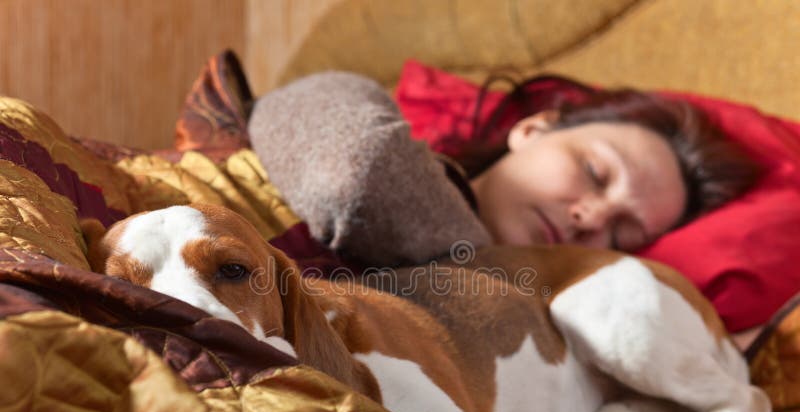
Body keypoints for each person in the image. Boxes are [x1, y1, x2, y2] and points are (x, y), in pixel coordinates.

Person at [247, 71, 759, 266]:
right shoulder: (349, 101)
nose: (591, 219)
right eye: (596, 174)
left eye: (623, 234)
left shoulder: (547, 328)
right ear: (534, 129)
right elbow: (357, 176)